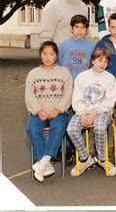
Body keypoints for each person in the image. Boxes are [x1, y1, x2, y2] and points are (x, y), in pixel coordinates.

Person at [26, 41, 73, 182]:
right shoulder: (33, 74)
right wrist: (39, 110)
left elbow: (68, 94)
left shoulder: (64, 72)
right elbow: (29, 95)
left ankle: (44, 161)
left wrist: (58, 109)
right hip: (38, 112)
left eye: (51, 54)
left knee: (58, 127)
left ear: (56, 56)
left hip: (58, 112)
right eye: (45, 54)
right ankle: (44, 164)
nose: (48, 57)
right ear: (40, 55)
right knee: (32, 128)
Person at [66, 48, 116, 177]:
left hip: (102, 111)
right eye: (99, 60)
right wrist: (83, 114)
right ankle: (85, 159)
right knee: (71, 129)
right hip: (83, 111)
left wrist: (94, 113)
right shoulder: (82, 77)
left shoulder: (110, 78)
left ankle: (102, 158)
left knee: (100, 127)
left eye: (105, 61)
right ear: (92, 61)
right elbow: (77, 99)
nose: (102, 64)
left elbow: (110, 102)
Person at [57, 14, 95, 81]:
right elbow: (58, 65)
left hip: (85, 82)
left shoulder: (92, 47)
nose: (79, 30)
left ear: (87, 30)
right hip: (67, 82)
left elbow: (93, 67)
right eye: (76, 27)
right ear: (71, 28)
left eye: (83, 27)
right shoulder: (63, 45)